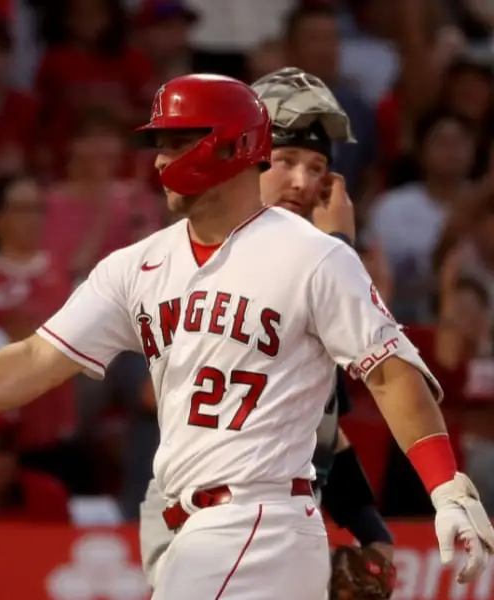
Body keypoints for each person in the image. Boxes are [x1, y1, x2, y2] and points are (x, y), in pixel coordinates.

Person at [0, 73, 494, 598]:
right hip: (195, 524)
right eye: (159, 144)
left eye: (178, 142)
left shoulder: (313, 256)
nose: (159, 160)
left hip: (257, 519)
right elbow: (36, 358)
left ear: (231, 147)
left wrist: (446, 488)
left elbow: (388, 374)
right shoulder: (139, 264)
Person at [134, 66, 395, 592]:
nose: (303, 182)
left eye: (317, 166)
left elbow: (320, 423)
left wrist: (371, 533)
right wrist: (339, 251)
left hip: (270, 517)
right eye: (285, 161)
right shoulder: (209, 249)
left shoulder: (314, 262)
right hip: (202, 514)